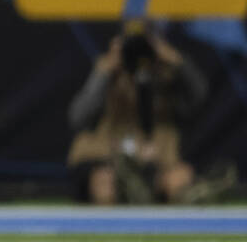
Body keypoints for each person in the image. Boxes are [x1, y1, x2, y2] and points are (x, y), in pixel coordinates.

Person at [67, 19, 208, 204]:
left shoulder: (166, 70)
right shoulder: (109, 67)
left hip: (158, 152)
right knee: (103, 184)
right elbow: (78, 117)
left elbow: (198, 98)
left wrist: (176, 61)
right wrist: (105, 70)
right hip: (113, 152)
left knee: (178, 182)